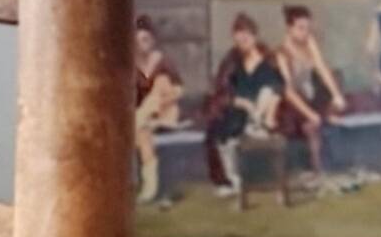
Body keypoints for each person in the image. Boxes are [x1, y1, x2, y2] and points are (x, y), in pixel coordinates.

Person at [200, 12, 322, 198]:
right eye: (239, 38)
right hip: (239, 110)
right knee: (219, 127)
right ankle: (230, 179)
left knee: (271, 93)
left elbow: (279, 86)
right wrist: (241, 102)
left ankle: (260, 126)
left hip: (268, 111)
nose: (243, 41)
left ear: (254, 36)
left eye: (247, 36)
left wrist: (264, 109)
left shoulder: (268, 59)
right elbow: (222, 90)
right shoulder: (231, 61)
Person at [130, 17, 183, 204]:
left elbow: (178, 90)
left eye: (145, 39)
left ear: (152, 40)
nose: (141, 44)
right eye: (137, 41)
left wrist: (161, 103)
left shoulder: (162, 61)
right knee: (143, 135)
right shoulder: (131, 64)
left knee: (161, 83)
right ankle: (150, 187)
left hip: (165, 113)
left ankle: (151, 189)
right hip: (142, 118)